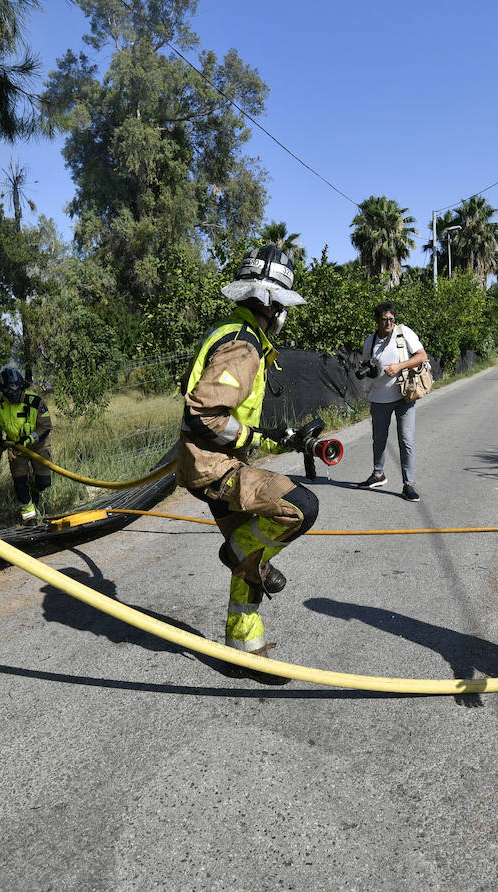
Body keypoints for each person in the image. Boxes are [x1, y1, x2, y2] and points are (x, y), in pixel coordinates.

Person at [178, 245, 320, 685]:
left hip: (217, 462)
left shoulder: (233, 332)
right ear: (271, 303)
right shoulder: (243, 345)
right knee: (300, 507)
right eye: (281, 305)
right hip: (213, 467)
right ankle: (236, 554)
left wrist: (268, 436)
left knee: (255, 548)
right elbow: (201, 414)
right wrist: (249, 437)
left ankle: (244, 651)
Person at [358, 301, 429, 502]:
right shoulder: (370, 340)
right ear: (376, 320)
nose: (388, 322)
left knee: (406, 441)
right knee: (378, 439)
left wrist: (399, 366)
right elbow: (368, 363)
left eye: (391, 319)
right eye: (384, 319)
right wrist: (364, 367)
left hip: (404, 395)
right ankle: (378, 474)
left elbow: (422, 356)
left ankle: (409, 485)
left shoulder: (403, 332)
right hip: (379, 397)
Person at [0, 366, 52, 524]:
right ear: (3, 392)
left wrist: (29, 439)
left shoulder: (35, 401)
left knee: (43, 482)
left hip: (39, 445)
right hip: (16, 448)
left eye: (16, 391)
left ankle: (35, 489)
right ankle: (28, 517)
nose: (13, 395)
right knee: (19, 482)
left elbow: (46, 426)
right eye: (9, 393)